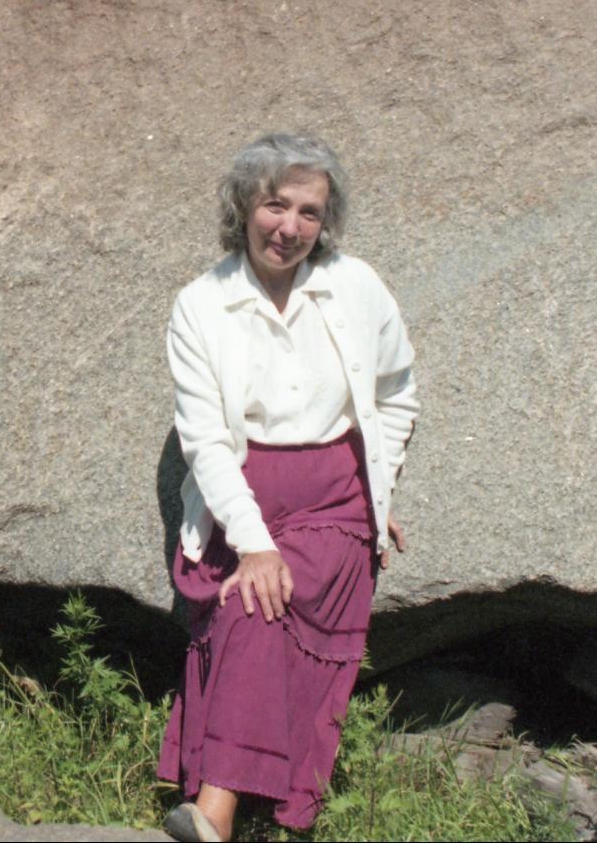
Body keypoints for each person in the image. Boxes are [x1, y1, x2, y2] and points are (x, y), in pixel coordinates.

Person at [158, 133, 419, 842]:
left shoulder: (356, 287)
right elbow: (205, 442)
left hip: (335, 501)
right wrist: (253, 542)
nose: (291, 227)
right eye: (276, 205)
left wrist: (380, 485)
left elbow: (397, 393)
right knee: (250, 597)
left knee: (257, 603)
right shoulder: (201, 305)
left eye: (310, 212)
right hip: (239, 502)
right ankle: (245, 807)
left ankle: (213, 814)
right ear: (245, 205)